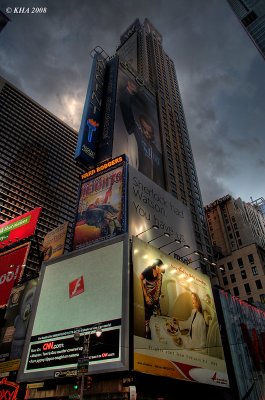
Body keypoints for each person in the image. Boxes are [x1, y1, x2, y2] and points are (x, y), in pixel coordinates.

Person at [119, 79, 164, 186]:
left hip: (154, 193)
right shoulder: (136, 133)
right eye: (144, 129)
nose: (146, 133)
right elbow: (126, 109)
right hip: (137, 184)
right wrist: (128, 92)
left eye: (149, 131)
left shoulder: (157, 153)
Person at [139, 259, 165, 339]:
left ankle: (157, 336)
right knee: (148, 316)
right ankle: (148, 335)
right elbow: (140, 278)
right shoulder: (148, 270)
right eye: (160, 269)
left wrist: (159, 295)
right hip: (148, 295)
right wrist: (145, 295)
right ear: (156, 267)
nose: (160, 272)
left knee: (158, 315)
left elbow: (158, 287)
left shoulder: (160, 275)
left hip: (155, 297)